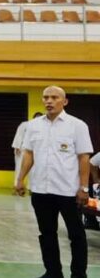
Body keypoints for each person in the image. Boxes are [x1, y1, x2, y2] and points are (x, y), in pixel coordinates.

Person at [16, 86, 93, 278]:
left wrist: (83, 188)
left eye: (54, 97)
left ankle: (78, 274)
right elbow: (28, 154)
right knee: (47, 234)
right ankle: (53, 272)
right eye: (45, 97)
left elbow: (84, 158)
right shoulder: (34, 126)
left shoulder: (77, 126)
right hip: (41, 190)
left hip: (68, 191)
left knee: (76, 235)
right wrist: (20, 179)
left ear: (64, 101)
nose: (49, 101)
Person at [12, 112, 43, 191]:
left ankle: (31, 188)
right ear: (33, 118)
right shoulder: (25, 124)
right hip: (22, 149)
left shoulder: (43, 127)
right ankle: (17, 186)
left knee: (34, 170)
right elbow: (19, 135)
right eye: (36, 117)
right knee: (19, 168)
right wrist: (17, 146)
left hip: (36, 151)